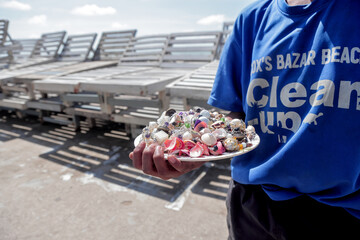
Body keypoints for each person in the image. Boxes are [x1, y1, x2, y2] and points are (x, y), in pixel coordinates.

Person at [130, 0, 360, 238]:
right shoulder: (252, 18)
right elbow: (234, 113)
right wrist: (195, 151)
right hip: (252, 201)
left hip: (343, 212)